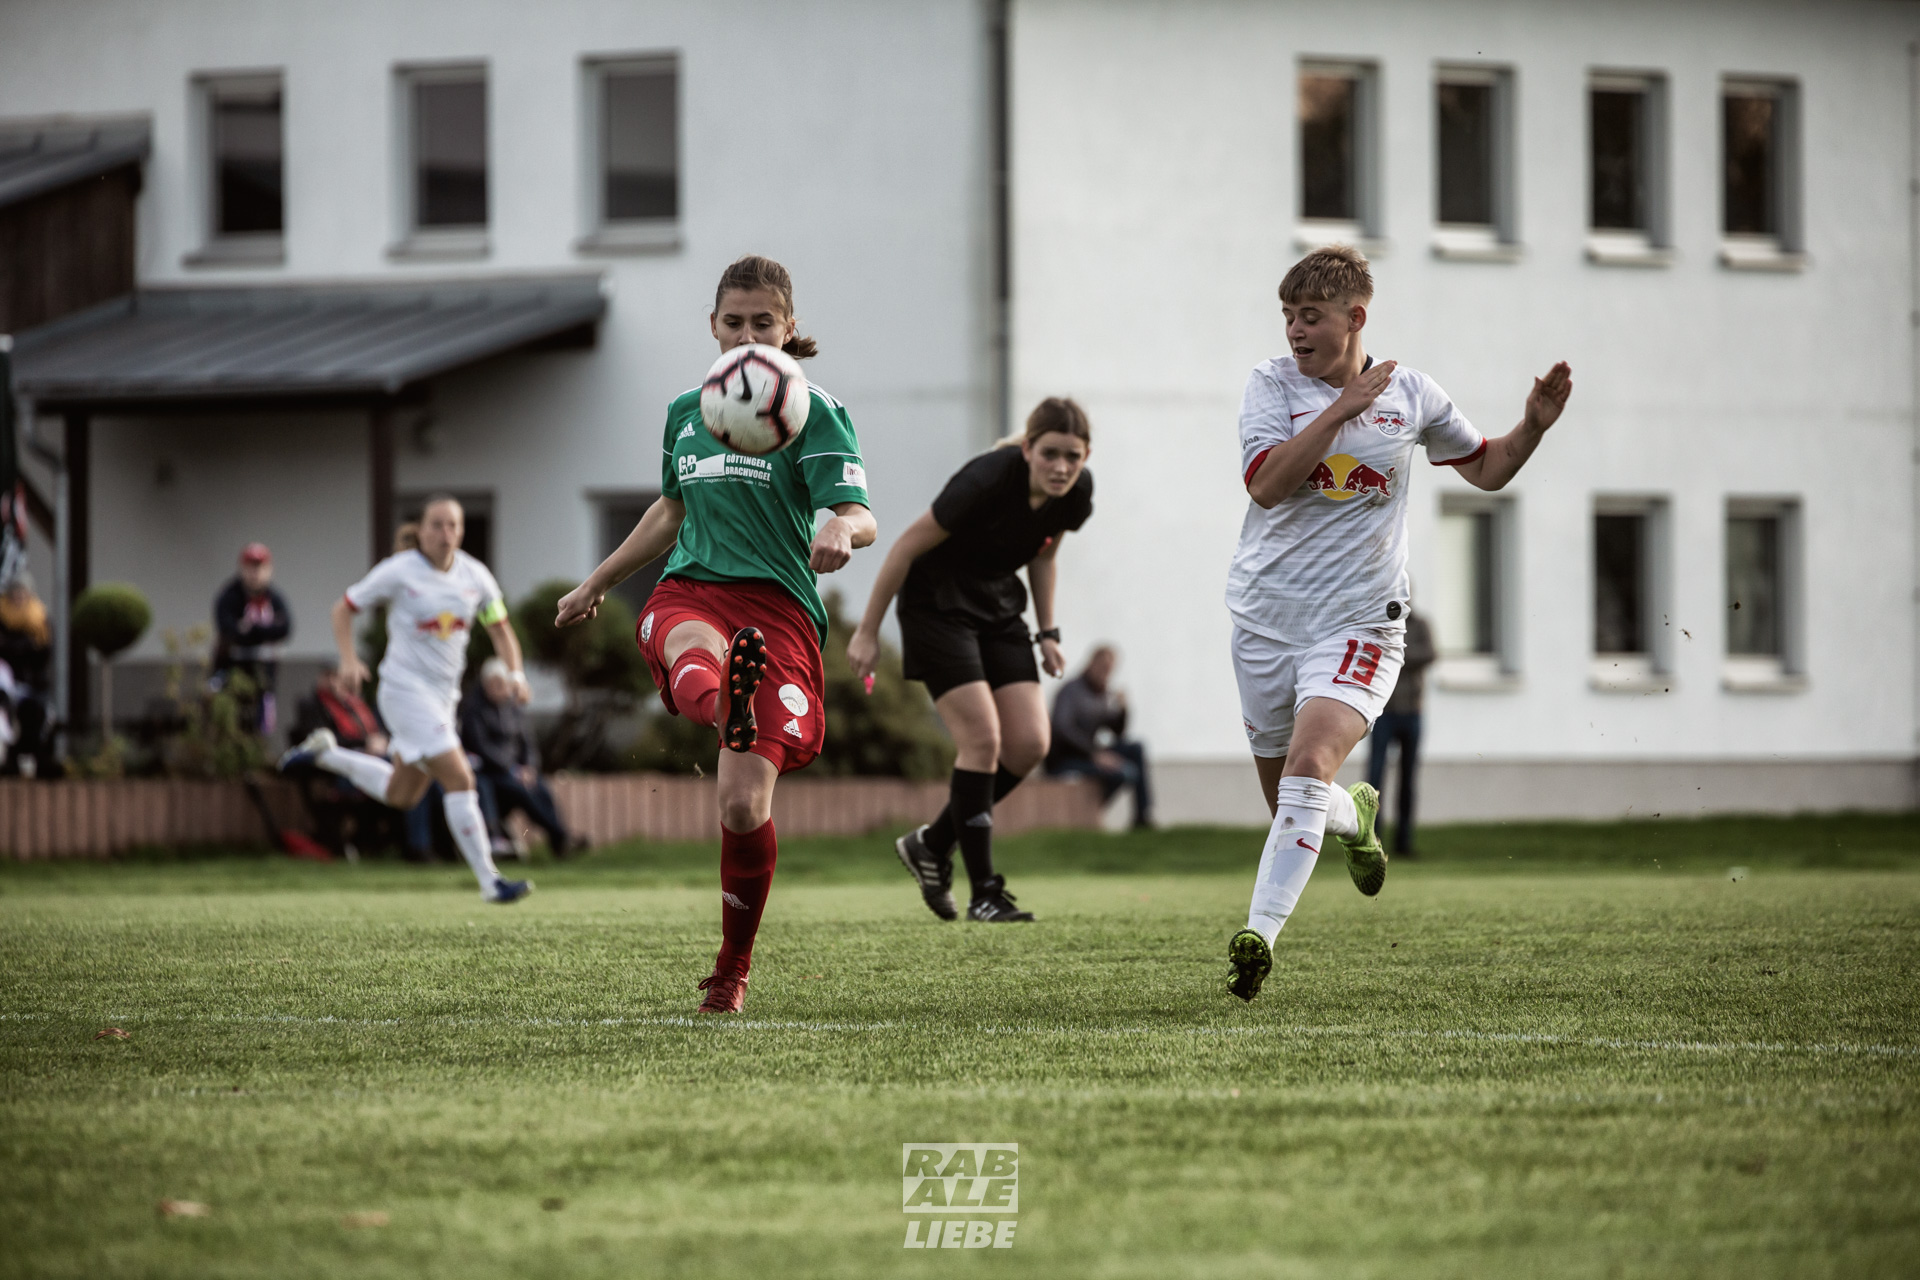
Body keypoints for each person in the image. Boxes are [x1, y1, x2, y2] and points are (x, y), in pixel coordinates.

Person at [1224, 245, 1572, 1002]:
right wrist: (1340, 412)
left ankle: (1258, 939)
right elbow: (1267, 488)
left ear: (1355, 318)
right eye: (1287, 315)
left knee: (1307, 771)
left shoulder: (1410, 394)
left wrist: (1533, 427)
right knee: (1291, 797)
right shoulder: (1269, 385)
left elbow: (1486, 467)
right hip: (1264, 623)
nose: (1294, 330)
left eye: (1310, 315)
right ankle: (1357, 819)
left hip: (1360, 624)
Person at [554, 254, 876, 1013]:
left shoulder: (813, 410)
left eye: (762, 322)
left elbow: (862, 514)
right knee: (687, 640)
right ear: (713, 326)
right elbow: (671, 509)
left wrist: (840, 527)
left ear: (787, 329)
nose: (745, 334)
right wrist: (597, 582)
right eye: (733, 321)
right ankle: (721, 696)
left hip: (778, 612)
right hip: (692, 589)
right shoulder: (685, 410)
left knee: (740, 808)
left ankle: (734, 967)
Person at [849, 399, 1093, 923]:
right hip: (936, 607)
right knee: (982, 739)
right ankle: (985, 891)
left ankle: (931, 844)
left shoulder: (1075, 494)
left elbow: (1044, 554)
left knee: (1029, 744)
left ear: (1085, 456)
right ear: (1028, 449)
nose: (1061, 467)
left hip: (999, 608)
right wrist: (867, 631)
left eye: (1072, 457)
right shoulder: (986, 480)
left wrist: (1048, 632)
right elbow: (904, 549)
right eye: (1050, 453)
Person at [278, 495, 535, 903]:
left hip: (442, 699)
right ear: (421, 530)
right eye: (436, 524)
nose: (445, 533)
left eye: (453, 525)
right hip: (403, 690)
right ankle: (490, 881)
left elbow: (500, 630)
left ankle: (324, 756)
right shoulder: (400, 571)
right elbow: (343, 610)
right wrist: (348, 658)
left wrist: (516, 673)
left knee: (403, 793)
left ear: (462, 531)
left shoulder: (476, 576)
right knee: (460, 776)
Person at [460, 656, 580, 856]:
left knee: (542, 789)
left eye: (503, 684)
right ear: (486, 684)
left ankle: (559, 839)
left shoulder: (513, 708)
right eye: (496, 684)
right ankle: (560, 835)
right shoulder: (473, 710)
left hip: (517, 772)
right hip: (493, 774)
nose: (501, 689)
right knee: (523, 792)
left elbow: (528, 744)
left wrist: (530, 767)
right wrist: (513, 769)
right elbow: (482, 748)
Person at [1046, 645, 1152, 829]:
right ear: (1091, 664)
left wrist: (1123, 710)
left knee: (1136, 748)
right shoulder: (1071, 691)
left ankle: (1142, 817)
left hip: (1091, 755)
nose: (1106, 674)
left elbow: (1117, 733)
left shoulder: (1103, 695)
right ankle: (1088, 813)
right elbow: (1062, 729)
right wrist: (1094, 754)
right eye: (1103, 668)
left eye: (1110, 670)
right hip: (1066, 759)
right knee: (1123, 772)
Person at [1365, 605, 1434, 858]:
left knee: (1408, 778)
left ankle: (1404, 843)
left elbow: (1429, 654)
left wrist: (1395, 657)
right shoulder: (1378, 624)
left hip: (1412, 712)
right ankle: (1371, 840)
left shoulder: (1420, 624)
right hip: (1382, 712)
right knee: (1374, 777)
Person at [212, 543, 293, 735]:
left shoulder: (275, 598)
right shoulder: (229, 596)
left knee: (263, 721)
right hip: (233, 672)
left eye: (260, 567)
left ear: (269, 570)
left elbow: (285, 628)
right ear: (242, 568)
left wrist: (252, 629)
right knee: (232, 721)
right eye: (250, 567)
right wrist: (264, 631)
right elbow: (229, 629)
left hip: (266, 673)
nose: (255, 573)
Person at [0, 572, 51, 774]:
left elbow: (45, 651)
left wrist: (21, 648)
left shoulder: (40, 617)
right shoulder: (2, 616)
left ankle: (35, 759)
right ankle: (10, 760)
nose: (19, 597)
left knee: (37, 714)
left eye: (23, 592)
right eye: (15, 593)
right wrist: (26, 646)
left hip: (32, 683)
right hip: (6, 682)